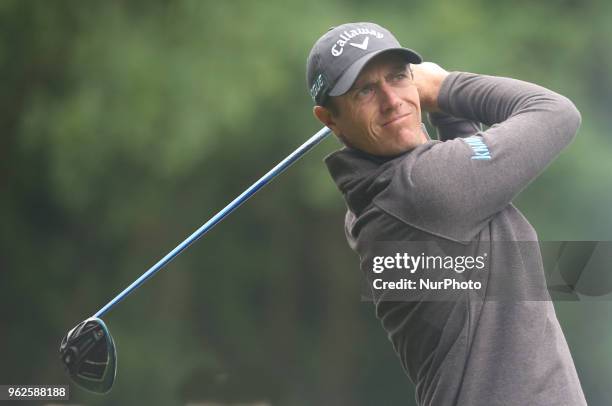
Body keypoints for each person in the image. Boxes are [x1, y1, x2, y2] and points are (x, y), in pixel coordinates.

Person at [306, 22, 587, 405]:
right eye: (365, 91)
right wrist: (443, 88)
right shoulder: (424, 189)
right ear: (329, 119)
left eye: (397, 77)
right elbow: (556, 113)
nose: (392, 100)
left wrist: (443, 109)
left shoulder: (374, 202)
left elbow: (471, 170)